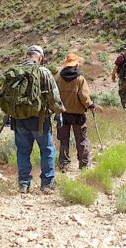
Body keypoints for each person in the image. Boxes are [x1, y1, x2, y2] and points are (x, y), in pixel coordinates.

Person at [12, 45, 64, 194]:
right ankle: (47, 184)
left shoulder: (16, 71)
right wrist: (58, 113)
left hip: (19, 119)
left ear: (27, 55)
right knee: (47, 150)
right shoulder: (43, 71)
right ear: (40, 58)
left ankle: (23, 184)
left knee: (22, 151)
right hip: (39, 120)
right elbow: (54, 97)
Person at [55, 52, 99, 171]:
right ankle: (84, 164)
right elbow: (84, 97)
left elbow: (54, 96)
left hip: (62, 114)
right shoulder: (80, 78)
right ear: (76, 65)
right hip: (78, 115)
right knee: (81, 140)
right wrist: (91, 105)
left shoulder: (58, 77)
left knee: (64, 140)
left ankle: (64, 164)